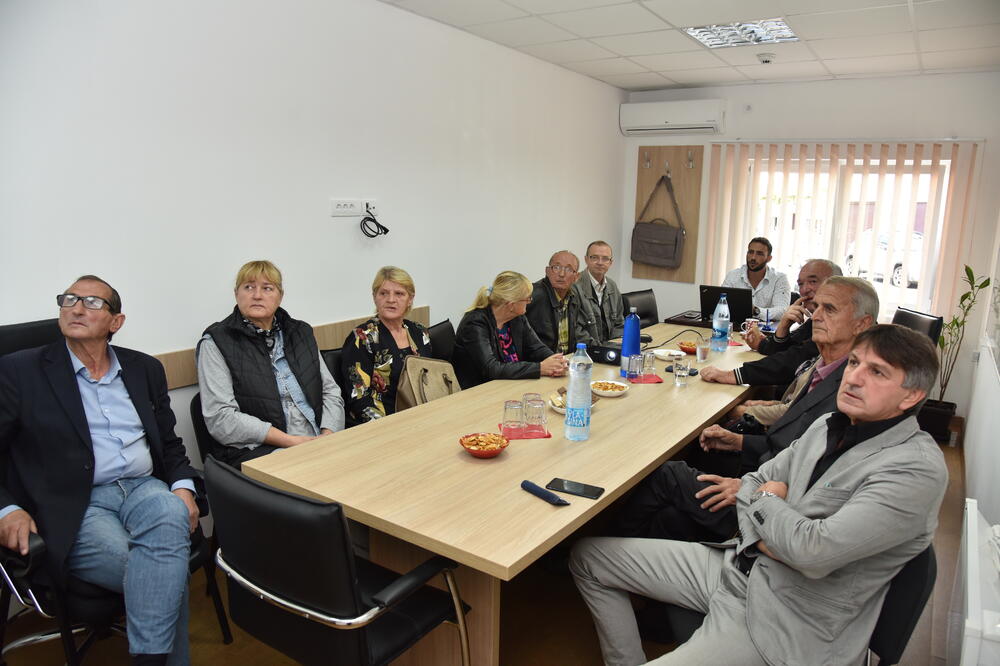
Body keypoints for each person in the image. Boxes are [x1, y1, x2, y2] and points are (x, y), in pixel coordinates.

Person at [571, 324, 947, 666]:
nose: (853, 378)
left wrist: (767, 502)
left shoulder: (914, 470)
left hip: (787, 619)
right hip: (737, 567)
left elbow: (811, 552)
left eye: (877, 372)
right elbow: (754, 481)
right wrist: (770, 517)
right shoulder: (828, 425)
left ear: (911, 395)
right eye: (854, 363)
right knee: (589, 557)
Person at [0, 275, 204, 666]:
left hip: (145, 488)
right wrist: (6, 509)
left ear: (116, 322)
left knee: (170, 514)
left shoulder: (144, 369)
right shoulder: (19, 371)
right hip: (77, 505)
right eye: (69, 299)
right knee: (164, 573)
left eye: (93, 302)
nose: (76, 308)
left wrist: (182, 486)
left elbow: (169, 443)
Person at [618, 277, 878, 543]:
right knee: (673, 507)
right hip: (762, 472)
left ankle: (607, 551)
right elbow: (791, 442)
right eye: (817, 307)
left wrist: (748, 487)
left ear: (862, 324)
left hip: (770, 506)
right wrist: (737, 441)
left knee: (666, 474)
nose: (817, 316)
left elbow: (816, 472)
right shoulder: (825, 365)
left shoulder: (852, 391)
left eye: (829, 309)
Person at [197, 260, 345, 467]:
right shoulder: (215, 342)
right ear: (236, 294)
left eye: (267, 288)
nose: (257, 295)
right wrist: (291, 442)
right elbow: (221, 418)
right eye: (248, 287)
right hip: (260, 451)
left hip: (318, 440)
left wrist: (328, 435)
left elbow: (330, 391)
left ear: (280, 296)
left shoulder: (301, 332)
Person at [341, 266, 432, 423]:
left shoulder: (419, 332)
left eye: (399, 294)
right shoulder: (362, 337)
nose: (391, 300)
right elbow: (359, 399)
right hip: (385, 423)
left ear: (410, 299)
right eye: (383, 293)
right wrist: (390, 426)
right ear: (374, 297)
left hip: (424, 415)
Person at [452, 271, 568, 389]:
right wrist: (540, 368)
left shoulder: (517, 317)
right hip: (481, 390)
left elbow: (536, 347)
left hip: (511, 384)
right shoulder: (475, 323)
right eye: (527, 298)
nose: (530, 301)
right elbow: (491, 368)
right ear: (511, 304)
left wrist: (557, 362)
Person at [742, 258, 841, 355]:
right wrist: (783, 327)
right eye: (801, 284)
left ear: (837, 285)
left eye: (813, 281)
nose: (804, 290)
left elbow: (794, 358)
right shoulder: (813, 321)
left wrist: (761, 345)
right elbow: (788, 349)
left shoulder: (836, 324)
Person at [525, 250, 585, 355]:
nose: (561, 274)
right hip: (541, 361)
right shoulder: (532, 296)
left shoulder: (573, 298)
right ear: (547, 271)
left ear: (576, 277)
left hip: (566, 360)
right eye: (556, 267)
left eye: (568, 269)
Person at [722, 237, 791, 322]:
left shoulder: (779, 279)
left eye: (759, 254)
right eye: (750, 252)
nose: (753, 257)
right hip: (736, 325)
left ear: (769, 258)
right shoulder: (733, 275)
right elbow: (721, 303)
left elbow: (782, 311)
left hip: (766, 328)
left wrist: (756, 311)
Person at [573, 240, 625, 344]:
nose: (600, 262)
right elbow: (575, 329)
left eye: (605, 258)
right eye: (594, 257)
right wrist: (599, 347)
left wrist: (614, 345)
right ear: (586, 260)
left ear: (610, 263)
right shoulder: (575, 286)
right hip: (586, 348)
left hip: (610, 347)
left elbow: (619, 323)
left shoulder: (612, 286)